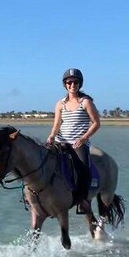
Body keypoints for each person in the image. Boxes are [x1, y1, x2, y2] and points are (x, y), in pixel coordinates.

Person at [45, 68, 101, 214]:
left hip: (78, 143)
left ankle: (82, 200)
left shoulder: (86, 102)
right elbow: (57, 124)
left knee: (83, 170)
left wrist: (84, 138)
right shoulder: (60, 104)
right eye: (69, 82)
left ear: (80, 84)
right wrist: (52, 136)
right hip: (60, 141)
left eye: (75, 82)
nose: (72, 85)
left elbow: (96, 123)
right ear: (65, 84)